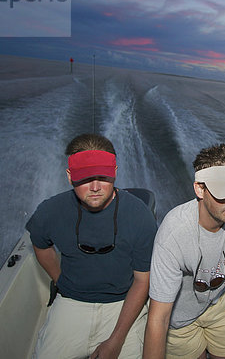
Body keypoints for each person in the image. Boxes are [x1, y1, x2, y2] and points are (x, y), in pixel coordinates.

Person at [26, 133, 157, 359]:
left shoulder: (140, 215)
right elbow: (40, 245)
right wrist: (61, 280)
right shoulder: (49, 212)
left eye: (103, 177)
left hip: (123, 304)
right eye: (86, 178)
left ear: (114, 172)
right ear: (70, 177)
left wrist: (116, 341)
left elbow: (142, 280)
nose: (95, 187)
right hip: (71, 302)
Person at [144, 143, 225, 359]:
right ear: (200, 189)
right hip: (180, 318)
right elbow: (159, 317)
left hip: (221, 303)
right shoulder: (174, 233)